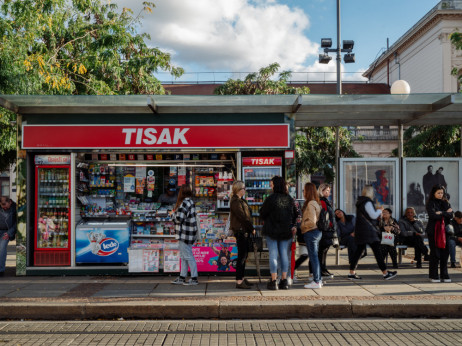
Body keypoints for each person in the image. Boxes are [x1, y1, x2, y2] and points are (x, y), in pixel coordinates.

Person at [348, 185, 397, 281]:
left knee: (358, 252)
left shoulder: (360, 202)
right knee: (377, 251)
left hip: (362, 230)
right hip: (368, 231)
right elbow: (373, 215)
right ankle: (385, 273)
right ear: (370, 192)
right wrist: (380, 211)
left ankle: (351, 273)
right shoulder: (367, 202)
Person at [259, 176, 297, 290]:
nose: (271, 185)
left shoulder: (270, 199)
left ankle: (274, 281)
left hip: (271, 230)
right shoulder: (289, 199)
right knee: (284, 255)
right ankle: (284, 280)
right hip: (285, 231)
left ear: (275, 185)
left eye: (272, 183)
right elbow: (294, 214)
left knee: (273, 255)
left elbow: (262, 214)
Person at [171, 185, 199, 286]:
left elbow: (179, 219)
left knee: (187, 256)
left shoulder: (184, 203)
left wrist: (172, 215)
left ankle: (194, 278)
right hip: (190, 233)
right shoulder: (190, 202)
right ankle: (182, 277)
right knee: (184, 256)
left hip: (184, 234)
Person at [426, 184, 453, 283]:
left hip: (445, 231)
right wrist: (445, 213)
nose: (440, 195)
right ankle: (433, 275)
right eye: (438, 193)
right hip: (433, 231)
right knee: (435, 254)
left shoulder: (446, 202)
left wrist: (440, 213)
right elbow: (433, 215)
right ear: (434, 193)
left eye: (442, 193)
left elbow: (451, 215)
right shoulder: (430, 203)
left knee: (445, 254)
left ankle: (444, 274)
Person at [230, 181, 255, 289]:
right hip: (241, 231)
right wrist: (251, 228)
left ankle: (242, 279)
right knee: (241, 257)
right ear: (239, 189)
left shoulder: (240, 200)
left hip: (244, 231)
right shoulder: (235, 202)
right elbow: (243, 217)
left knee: (243, 257)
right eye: (244, 188)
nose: (245, 190)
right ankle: (239, 281)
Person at [310, 184, 336, 279]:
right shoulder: (322, 201)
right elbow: (324, 216)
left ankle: (323, 269)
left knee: (324, 250)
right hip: (325, 229)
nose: (328, 192)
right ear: (321, 191)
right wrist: (330, 226)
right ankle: (321, 270)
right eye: (327, 191)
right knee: (322, 250)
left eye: (329, 191)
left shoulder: (325, 201)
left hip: (326, 229)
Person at [300, 182, 323, 289]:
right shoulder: (316, 203)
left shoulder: (310, 204)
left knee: (313, 257)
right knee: (315, 257)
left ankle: (316, 281)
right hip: (316, 232)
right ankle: (318, 279)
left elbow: (312, 221)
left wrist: (302, 225)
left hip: (311, 232)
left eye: (304, 190)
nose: (303, 192)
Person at [0, 197, 17, 276]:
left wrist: (10, 233)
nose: (4, 207)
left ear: (10, 202)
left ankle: (1, 270)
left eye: (5, 205)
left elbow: (17, 222)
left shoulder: (15, 208)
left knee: (2, 248)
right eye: (2, 205)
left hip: (6, 231)